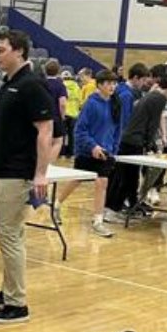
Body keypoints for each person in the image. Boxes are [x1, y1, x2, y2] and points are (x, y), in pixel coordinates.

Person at [0, 30, 53, 325]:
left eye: (1, 50)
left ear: (19, 51)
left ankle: (17, 303)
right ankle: (8, 290)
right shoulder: (9, 83)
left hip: (18, 174)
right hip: (1, 170)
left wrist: (40, 174)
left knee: (9, 236)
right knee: (4, 234)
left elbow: (46, 131)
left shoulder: (32, 85)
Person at [53, 70, 120, 237]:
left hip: (106, 151)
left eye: (114, 83)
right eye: (108, 83)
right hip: (87, 151)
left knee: (101, 182)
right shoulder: (91, 104)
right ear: (99, 85)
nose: (112, 86)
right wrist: (92, 147)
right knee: (77, 180)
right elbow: (80, 130)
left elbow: (117, 129)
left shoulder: (115, 103)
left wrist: (113, 149)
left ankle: (98, 221)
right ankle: (56, 204)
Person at [104, 73, 167, 221]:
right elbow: (152, 124)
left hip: (129, 140)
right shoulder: (159, 98)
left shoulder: (152, 96)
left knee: (128, 179)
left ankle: (129, 206)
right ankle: (112, 211)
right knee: (127, 179)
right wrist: (151, 145)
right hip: (133, 142)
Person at [42, 59, 68, 163]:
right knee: (58, 141)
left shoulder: (41, 83)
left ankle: (41, 162)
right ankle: (49, 164)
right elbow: (62, 103)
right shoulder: (60, 85)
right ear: (58, 71)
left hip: (42, 117)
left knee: (43, 140)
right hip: (55, 117)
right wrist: (62, 116)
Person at [61, 69, 81, 157]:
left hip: (64, 113)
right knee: (72, 135)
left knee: (62, 134)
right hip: (74, 114)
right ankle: (71, 152)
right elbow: (80, 100)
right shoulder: (76, 86)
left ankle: (61, 152)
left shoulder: (61, 85)